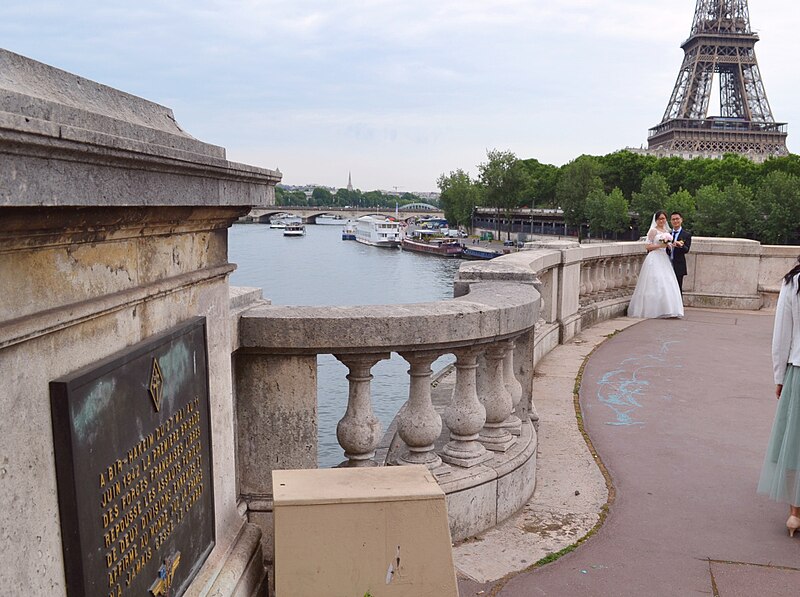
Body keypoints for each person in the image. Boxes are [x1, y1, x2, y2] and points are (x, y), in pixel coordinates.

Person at [758, 255, 800, 537]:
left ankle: (795, 511)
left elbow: (781, 336)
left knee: (795, 439)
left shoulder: (793, 283)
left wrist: (778, 377)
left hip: (798, 366)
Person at [627, 210, 684, 319]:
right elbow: (647, 246)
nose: (662, 221)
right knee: (655, 281)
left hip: (664, 258)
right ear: (656, 220)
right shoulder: (653, 231)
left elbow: (668, 245)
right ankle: (653, 309)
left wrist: (672, 244)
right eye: (660, 219)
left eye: (663, 219)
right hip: (655, 257)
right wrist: (660, 246)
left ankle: (667, 309)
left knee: (667, 282)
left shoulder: (667, 231)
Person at [668, 212, 692, 293]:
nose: (675, 221)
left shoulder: (686, 235)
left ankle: (678, 305)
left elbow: (686, 249)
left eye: (677, 219)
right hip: (666, 264)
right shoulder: (667, 234)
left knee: (678, 288)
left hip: (679, 265)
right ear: (670, 221)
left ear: (681, 220)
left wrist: (680, 245)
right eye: (673, 219)